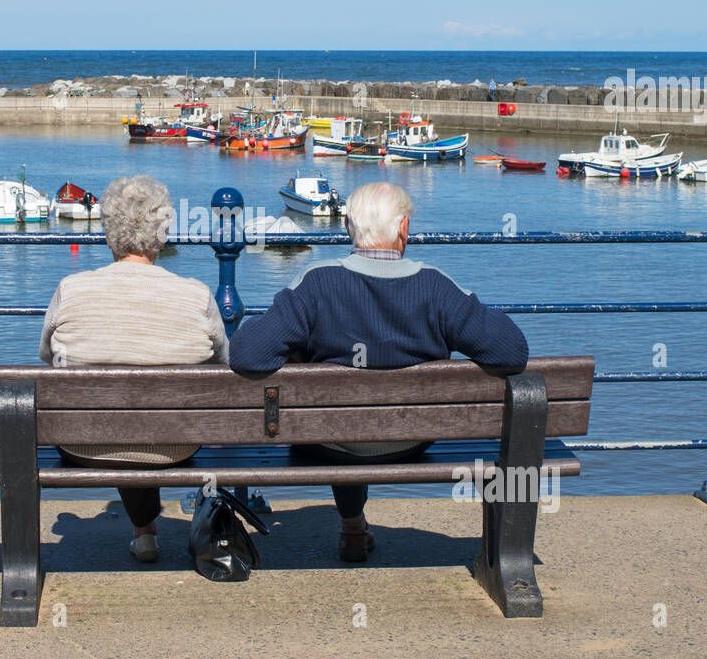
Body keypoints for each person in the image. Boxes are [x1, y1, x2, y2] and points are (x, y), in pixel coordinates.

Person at [229, 181, 527, 562]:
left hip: (330, 439)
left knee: (339, 416)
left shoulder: (317, 284)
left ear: (349, 228)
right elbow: (512, 351)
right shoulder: (436, 288)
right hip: (415, 436)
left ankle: (352, 525)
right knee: (351, 416)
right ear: (404, 228)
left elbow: (246, 355)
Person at [39, 175, 227, 563]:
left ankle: (144, 533)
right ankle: (145, 532)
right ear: (162, 237)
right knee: (146, 420)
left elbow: (47, 355)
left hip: (84, 442)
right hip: (174, 445)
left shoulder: (71, 290)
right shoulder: (196, 295)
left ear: (108, 235)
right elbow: (221, 365)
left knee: (120, 417)